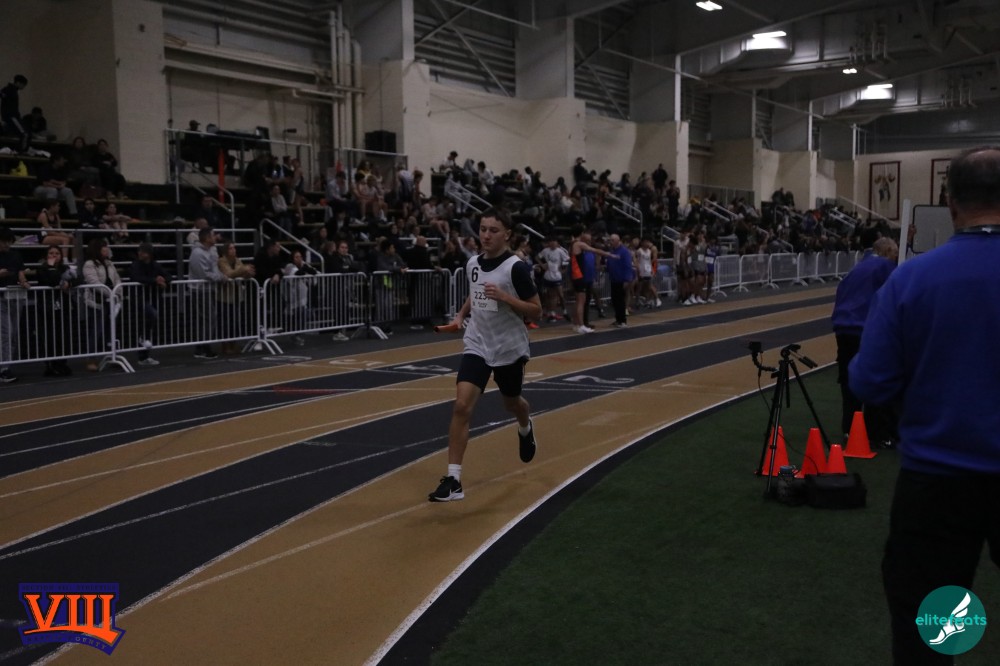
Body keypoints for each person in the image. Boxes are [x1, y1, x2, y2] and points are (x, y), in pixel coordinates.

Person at [849, 146, 1000, 665]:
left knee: (932, 631)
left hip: (937, 483)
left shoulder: (911, 279)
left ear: (950, 201)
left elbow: (869, 382)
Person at [428, 208, 542, 502]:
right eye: (482, 229)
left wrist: (505, 297)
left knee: (512, 403)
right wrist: (460, 315)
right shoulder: (472, 263)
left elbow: (536, 310)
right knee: (461, 406)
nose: (486, 235)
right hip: (478, 342)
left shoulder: (516, 268)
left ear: (507, 234)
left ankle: (525, 425)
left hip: (508, 348)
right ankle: (454, 480)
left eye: (493, 230)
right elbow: (475, 292)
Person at [831, 229, 898, 443]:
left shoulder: (858, 267)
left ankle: (850, 428)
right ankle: (876, 432)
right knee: (874, 378)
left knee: (848, 379)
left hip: (843, 327)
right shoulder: (884, 267)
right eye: (895, 254)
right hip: (864, 327)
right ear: (887, 252)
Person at [35, 245, 76, 376]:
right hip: (47, 308)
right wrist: (51, 267)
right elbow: (52, 282)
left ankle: (62, 362)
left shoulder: (65, 268)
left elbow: (78, 279)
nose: (54, 255)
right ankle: (50, 364)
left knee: (63, 335)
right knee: (49, 336)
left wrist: (69, 284)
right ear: (46, 256)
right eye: (51, 253)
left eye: (57, 253)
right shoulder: (42, 269)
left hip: (63, 306)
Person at [81, 238, 120, 372]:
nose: (107, 249)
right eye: (104, 247)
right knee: (96, 331)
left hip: (111, 301)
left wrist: (118, 293)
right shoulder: (89, 264)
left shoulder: (109, 263)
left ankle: (112, 355)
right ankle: (91, 359)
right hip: (96, 303)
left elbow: (117, 279)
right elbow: (94, 282)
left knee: (111, 330)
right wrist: (110, 293)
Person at [128, 243, 170, 367]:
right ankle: (143, 343)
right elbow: (136, 277)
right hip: (139, 299)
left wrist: (163, 280)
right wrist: (155, 281)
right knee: (150, 316)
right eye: (140, 251)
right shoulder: (135, 265)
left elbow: (168, 276)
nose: (140, 253)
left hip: (153, 298)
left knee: (149, 324)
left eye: (143, 251)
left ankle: (144, 355)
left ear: (149, 254)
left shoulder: (155, 265)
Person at [569, 225, 616, 333]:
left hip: (576, 275)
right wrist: (608, 254)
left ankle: (576, 324)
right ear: (581, 233)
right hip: (579, 275)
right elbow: (594, 250)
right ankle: (581, 325)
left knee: (578, 301)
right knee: (581, 302)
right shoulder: (579, 244)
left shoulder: (572, 244)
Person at [187, 227, 224, 359]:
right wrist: (220, 278)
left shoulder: (211, 251)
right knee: (207, 318)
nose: (215, 237)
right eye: (213, 235)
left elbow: (214, 267)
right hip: (200, 289)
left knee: (208, 318)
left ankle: (202, 346)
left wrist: (218, 276)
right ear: (207, 238)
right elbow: (204, 274)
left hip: (208, 289)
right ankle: (204, 346)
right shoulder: (198, 253)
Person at [0, 227, 31, 382]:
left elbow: (20, 272)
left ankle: (7, 365)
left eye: (9, 241)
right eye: (3, 241)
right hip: (1, 298)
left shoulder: (15, 255)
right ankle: (4, 368)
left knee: (13, 334)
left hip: (15, 297)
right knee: (5, 333)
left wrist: (24, 281)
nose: (7, 244)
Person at [217, 240, 256, 354]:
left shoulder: (238, 260)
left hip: (237, 296)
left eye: (234, 248)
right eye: (231, 248)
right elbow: (229, 274)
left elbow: (242, 275)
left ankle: (233, 344)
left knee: (236, 322)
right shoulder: (221, 261)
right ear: (225, 251)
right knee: (225, 322)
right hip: (225, 297)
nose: (234, 250)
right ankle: (225, 346)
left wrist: (248, 273)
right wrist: (244, 269)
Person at [606, 234, 635, 328]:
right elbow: (610, 263)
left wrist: (627, 279)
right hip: (614, 279)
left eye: (612, 240)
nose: (611, 242)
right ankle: (618, 319)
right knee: (615, 300)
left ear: (618, 241)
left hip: (621, 279)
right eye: (610, 240)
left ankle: (622, 320)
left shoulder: (624, 251)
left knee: (620, 300)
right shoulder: (612, 251)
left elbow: (628, 266)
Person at [0, 74, 29, 152]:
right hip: (12, 116)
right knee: (24, 134)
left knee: (20, 133)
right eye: (23, 85)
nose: (23, 87)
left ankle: (17, 150)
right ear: (18, 83)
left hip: (11, 116)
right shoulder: (9, 90)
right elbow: (2, 94)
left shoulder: (12, 90)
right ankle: (22, 152)